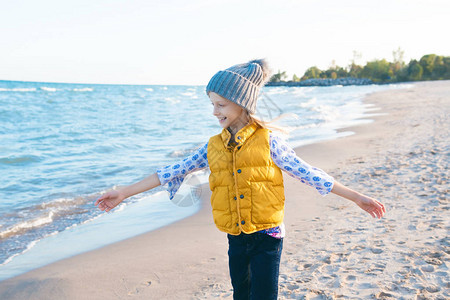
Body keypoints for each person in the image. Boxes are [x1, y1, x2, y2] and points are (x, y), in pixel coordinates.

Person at [95, 59, 386, 300]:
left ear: (241, 104)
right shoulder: (212, 147)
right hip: (235, 236)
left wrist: (357, 197)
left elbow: (309, 174)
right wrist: (124, 192)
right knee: (241, 294)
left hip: (267, 237)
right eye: (212, 104)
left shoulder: (269, 142)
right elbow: (172, 171)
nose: (214, 111)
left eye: (220, 105)